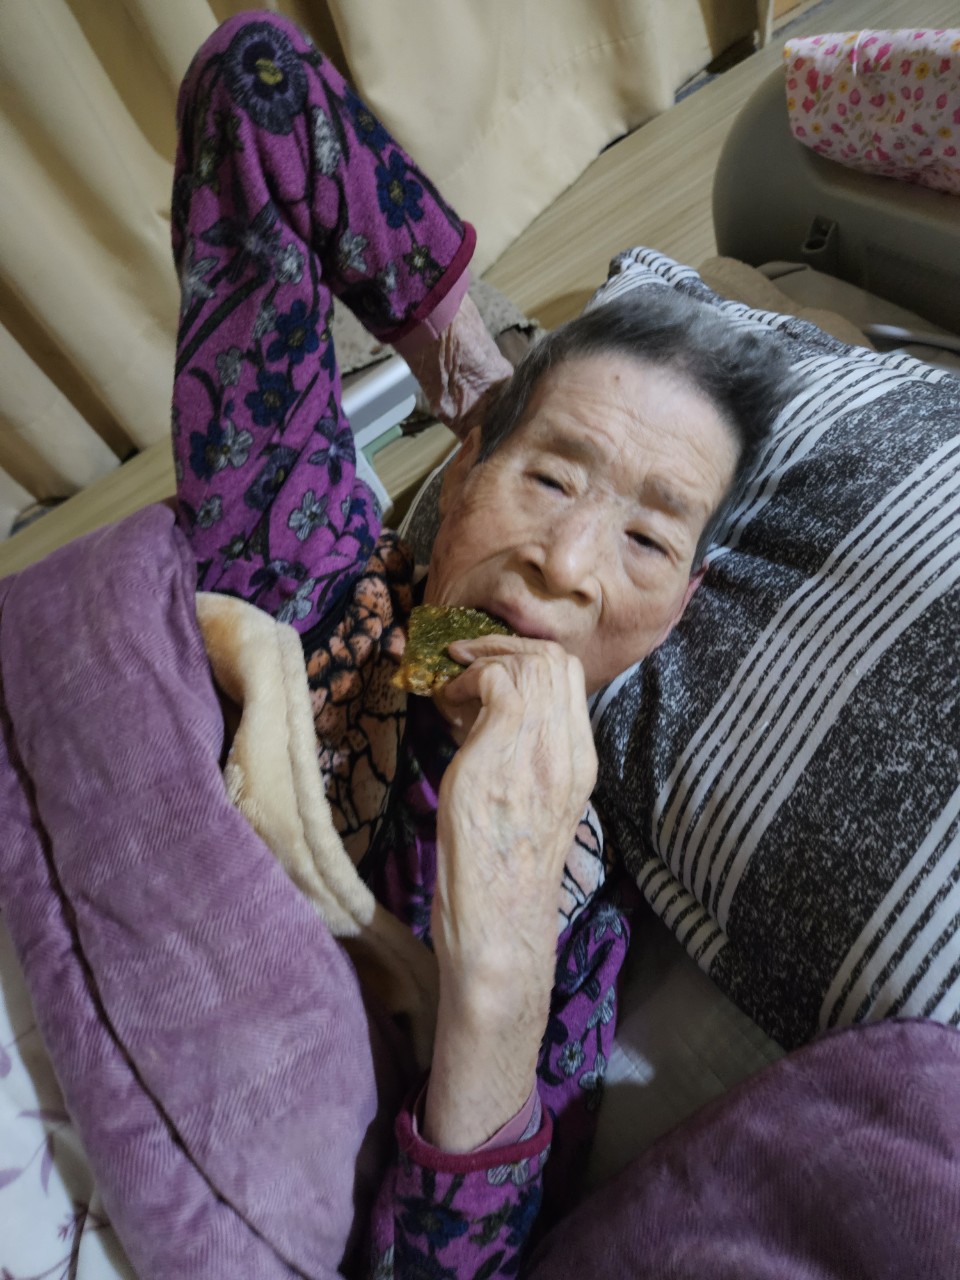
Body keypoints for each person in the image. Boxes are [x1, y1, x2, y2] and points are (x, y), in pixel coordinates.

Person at [171, 13, 795, 1277]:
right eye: (549, 477)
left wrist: (499, 981)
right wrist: (474, 368)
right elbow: (259, 86)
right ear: (459, 480)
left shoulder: (578, 923)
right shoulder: (307, 575)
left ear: (680, 607)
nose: (568, 562)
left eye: (647, 537)